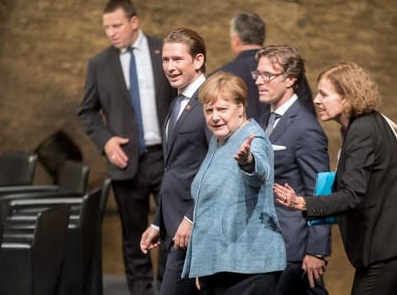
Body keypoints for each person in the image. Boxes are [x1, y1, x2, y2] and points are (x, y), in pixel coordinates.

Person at [274, 62, 397, 295]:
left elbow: (352, 195)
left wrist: (301, 202)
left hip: (390, 245)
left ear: (347, 98)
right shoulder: (363, 123)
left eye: (324, 94)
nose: (316, 100)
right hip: (396, 240)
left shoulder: (362, 131)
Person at [77, 0, 176, 294]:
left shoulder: (165, 52)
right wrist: (105, 141)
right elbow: (87, 111)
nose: (111, 32)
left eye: (116, 25)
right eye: (106, 27)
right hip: (124, 163)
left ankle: (169, 289)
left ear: (134, 22)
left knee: (172, 234)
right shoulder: (98, 64)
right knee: (134, 239)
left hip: (168, 159)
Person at [181, 71, 286, 294]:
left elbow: (260, 172)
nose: (214, 117)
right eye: (209, 110)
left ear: (240, 107)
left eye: (222, 109)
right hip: (220, 264)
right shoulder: (218, 140)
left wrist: (248, 162)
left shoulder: (252, 138)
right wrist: (204, 264)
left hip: (249, 266)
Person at [254, 45, 331, 295]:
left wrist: (316, 250)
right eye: (258, 74)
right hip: (268, 242)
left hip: (293, 244)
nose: (259, 81)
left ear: (290, 79)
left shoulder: (306, 128)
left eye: (268, 75)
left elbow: (320, 191)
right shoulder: (267, 119)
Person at [140, 27, 210, 295]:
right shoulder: (177, 100)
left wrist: (191, 218)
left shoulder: (209, 100)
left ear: (198, 60)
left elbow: (215, 166)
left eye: (177, 59)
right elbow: (172, 169)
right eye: (166, 60)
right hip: (173, 226)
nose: (170, 66)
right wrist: (158, 222)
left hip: (197, 228)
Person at [218, 12, 315, 121]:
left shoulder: (221, 76)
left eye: (267, 74)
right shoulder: (288, 68)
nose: (258, 81)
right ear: (262, 37)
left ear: (236, 40)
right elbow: (308, 113)